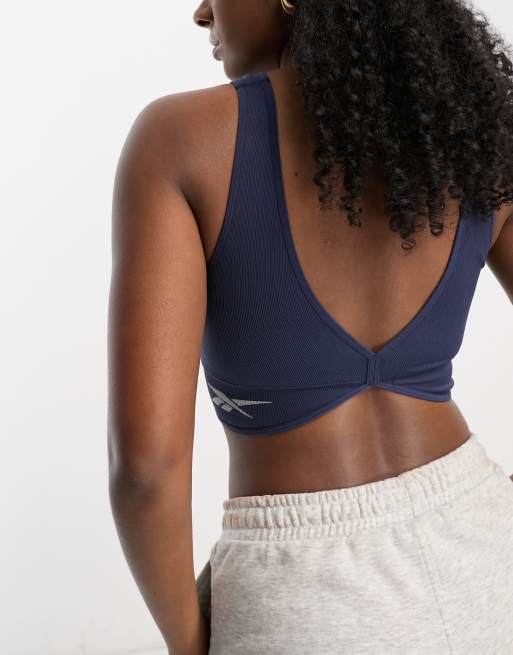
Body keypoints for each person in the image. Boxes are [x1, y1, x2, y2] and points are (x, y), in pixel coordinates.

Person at [107, 1, 513, 653]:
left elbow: (146, 470)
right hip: (488, 553)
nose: (202, 12)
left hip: (301, 601)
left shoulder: (179, 141)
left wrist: (189, 643)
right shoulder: (472, 129)